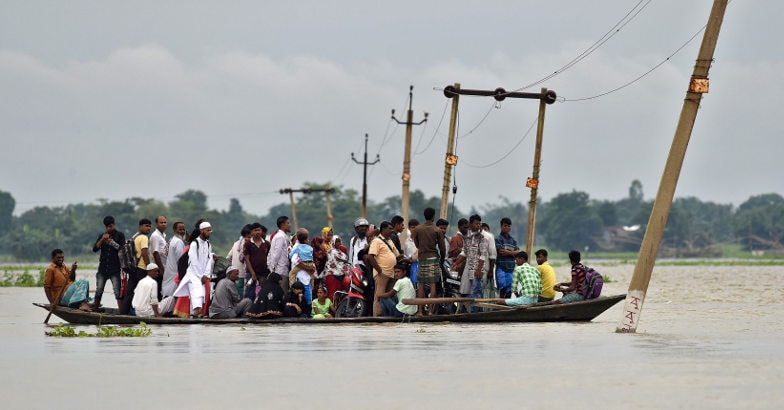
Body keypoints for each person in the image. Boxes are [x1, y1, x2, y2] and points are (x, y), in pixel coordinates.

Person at [173, 221, 215, 317]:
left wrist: (206, 274)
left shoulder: (208, 244)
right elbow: (193, 261)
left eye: (210, 230)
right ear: (202, 230)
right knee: (197, 291)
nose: (209, 232)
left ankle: (196, 314)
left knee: (202, 293)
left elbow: (209, 260)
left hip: (203, 275)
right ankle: (196, 313)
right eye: (207, 230)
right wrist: (200, 276)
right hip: (193, 273)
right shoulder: (194, 244)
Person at [411, 207, 445, 316]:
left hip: (422, 258)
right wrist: (442, 260)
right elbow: (442, 248)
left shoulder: (417, 229)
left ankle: (420, 311)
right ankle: (430, 310)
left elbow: (417, 244)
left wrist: (422, 248)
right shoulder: (437, 230)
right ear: (433, 216)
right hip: (433, 258)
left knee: (421, 284)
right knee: (432, 284)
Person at [91, 215, 125, 310]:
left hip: (115, 269)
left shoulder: (120, 235)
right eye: (107, 227)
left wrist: (111, 242)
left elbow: (122, 249)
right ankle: (94, 309)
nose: (109, 228)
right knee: (99, 290)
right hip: (102, 268)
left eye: (111, 226)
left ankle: (122, 312)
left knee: (117, 292)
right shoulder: (102, 235)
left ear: (114, 224)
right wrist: (102, 240)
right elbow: (95, 249)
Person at [367, 221, 401, 317]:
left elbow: (397, 255)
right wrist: (379, 271)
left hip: (391, 273)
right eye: (389, 228)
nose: (392, 230)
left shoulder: (390, 241)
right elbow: (370, 257)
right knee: (379, 296)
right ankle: (377, 316)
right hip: (382, 273)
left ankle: (387, 314)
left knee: (389, 296)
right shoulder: (376, 241)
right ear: (383, 229)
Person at [120, 218, 152, 315]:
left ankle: (123, 313)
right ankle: (143, 313)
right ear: (140, 226)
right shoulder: (144, 238)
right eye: (146, 226)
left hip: (133, 268)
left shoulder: (135, 237)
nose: (148, 228)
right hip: (141, 268)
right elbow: (144, 253)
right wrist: (149, 267)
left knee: (129, 292)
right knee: (143, 292)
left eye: (150, 226)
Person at [453, 215, 488, 302]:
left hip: (478, 271)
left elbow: (483, 255)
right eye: (476, 224)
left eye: (479, 224)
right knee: (473, 292)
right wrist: (455, 264)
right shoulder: (467, 238)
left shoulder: (482, 238)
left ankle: (478, 313)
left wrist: (479, 270)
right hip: (470, 270)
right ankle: (473, 311)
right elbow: (464, 253)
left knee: (477, 292)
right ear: (470, 224)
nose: (478, 226)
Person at [289, 229, 316, 304]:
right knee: (303, 298)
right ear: (306, 239)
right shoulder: (298, 247)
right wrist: (308, 267)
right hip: (301, 277)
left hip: (305, 276)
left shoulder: (301, 247)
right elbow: (294, 260)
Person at [244, 222, 270, 299]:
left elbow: (270, 258)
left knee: (264, 294)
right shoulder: (248, 244)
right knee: (250, 294)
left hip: (264, 273)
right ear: (251, 232)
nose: (258, 232)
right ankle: (248, 310)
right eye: (255, 230)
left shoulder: (266, 244)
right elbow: (247, 259)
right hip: (251, 273)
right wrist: (252, 273)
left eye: (259, 230)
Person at [495, 217, 519, 298]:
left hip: (511, 269)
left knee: (510, 290)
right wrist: (513, 253)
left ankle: (507, 306)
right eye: (505, 226)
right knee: (502, 289)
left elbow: (518, 253)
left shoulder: (513, 240)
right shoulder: (498, 239)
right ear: (501, 226)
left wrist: (508, 252)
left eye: (509, 226)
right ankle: (500, 307)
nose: (507, 228)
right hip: (501, 268)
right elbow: (501, 252)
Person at [267, 216, 292, 293]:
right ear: (282, 225)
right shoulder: (280, 237)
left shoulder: (283, 236)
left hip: (282, 270)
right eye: (288, 223)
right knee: (281, 293)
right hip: (280, 271)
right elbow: (276, 254)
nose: (289, 225)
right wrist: (273, 269)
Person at [162, 221, 186, 298]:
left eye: (183, 230)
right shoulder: (179, 242)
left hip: (170, 273)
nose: (182, 232)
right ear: (174, 230)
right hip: (175, 275)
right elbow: (180, 261)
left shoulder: (172, 240)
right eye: (180, 229)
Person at [226, 224, 251, 296]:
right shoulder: (249, 245)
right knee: (242, 294)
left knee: (236, 294)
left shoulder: (236, 243)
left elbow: (228, 257)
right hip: (243, 274)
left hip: (235, 274)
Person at [149, 215, 167, 300]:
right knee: (157, 290)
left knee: (160, 290)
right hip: (158, 268)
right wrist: (161, 269)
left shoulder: (163, 235)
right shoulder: (155, 236)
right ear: (156, 224)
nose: (163, 224)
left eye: (164, 222)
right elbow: (155, 253)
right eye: (161, 222)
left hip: (163, 267)